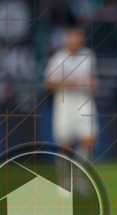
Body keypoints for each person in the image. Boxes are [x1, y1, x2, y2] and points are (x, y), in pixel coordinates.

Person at [43, 25, 98, 191]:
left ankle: (78, 174)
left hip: (84, 102)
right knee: (65, 145)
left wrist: (93, 84)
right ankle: (64, 180)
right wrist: (69, 83)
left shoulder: (88, 56)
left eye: (77, 37)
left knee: (90, 140)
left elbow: (93, 79)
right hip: (64, 104)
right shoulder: (58, 58)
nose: (75, 41)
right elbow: (48, 83)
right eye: (72, 37)